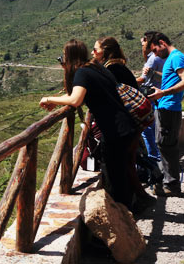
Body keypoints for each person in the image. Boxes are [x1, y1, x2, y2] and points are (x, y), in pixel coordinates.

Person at [40, 40, 139, 210]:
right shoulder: (96, 68)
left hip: (114, 131)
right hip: (126, 127)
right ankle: (126, 218)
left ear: (69, 57)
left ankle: (121, 224)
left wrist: (49, 99)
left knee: (114, 181)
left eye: (63, 58)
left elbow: (75, 100)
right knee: (120, 176)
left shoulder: (82, 72)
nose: (62, 62)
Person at [92, 36, 156, 208]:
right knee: (128, 161)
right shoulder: (119, 67)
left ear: (104, 51)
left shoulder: (112, 69)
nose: (93, 53)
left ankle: (127, 205)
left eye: (96, 49)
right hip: (131, 122)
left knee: (123, 163)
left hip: (124, 123)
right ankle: (138, 199)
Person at [147, 32, 184, 197]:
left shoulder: (177, 57)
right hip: (166, 106)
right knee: (164, 144)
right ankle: (168, 182)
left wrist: (163, 92)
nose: (155, 54)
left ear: (162, 43)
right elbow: (172, 78)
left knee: (167, 145)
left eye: (155, 50)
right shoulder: (171, 60)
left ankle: (171, 185)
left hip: (169, 108)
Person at [137, 31, 164, 164]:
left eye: (143, 43)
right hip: (158, 96)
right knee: (154, 130)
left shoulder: (153, 59)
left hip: (150, 96)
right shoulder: (161, 57)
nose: (142, 45)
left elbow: (143, 79)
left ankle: (154, 161)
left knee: (147, 131)